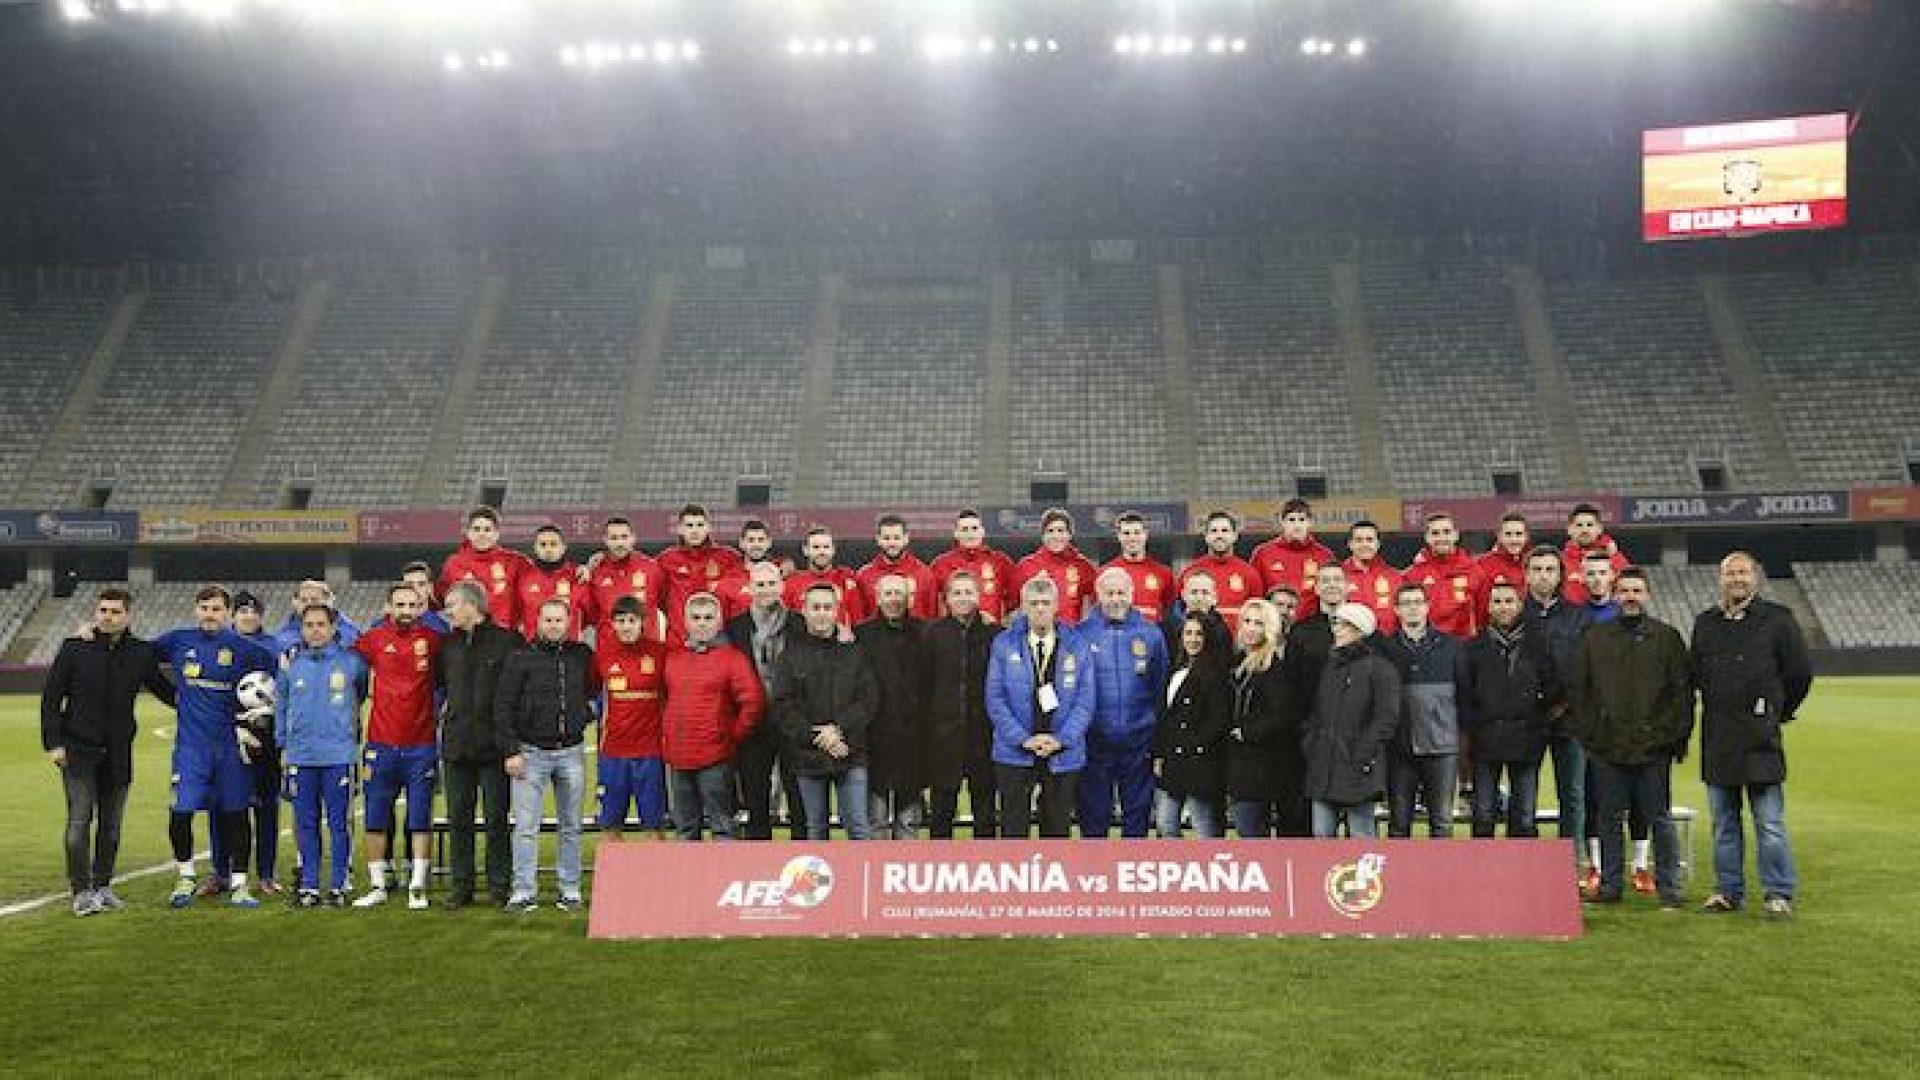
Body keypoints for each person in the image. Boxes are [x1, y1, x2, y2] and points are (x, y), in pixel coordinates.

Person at [1692, 551, 1813, 918]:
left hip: (1760, 738)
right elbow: (1696, 674)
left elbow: (1799, 674)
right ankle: (1728, 891)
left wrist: (1778, 711)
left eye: (1743, 573)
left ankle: (1779, 893)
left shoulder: (1778, 620)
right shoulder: (1706, 623)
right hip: (1719, 737)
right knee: (1723, 823)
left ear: (1755, 578)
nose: (1737, 579)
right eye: (1731, 574)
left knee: (1769, 823)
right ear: (1721, 578)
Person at [40, 588, 175, 915]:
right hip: (77, 750)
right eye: (103, 610)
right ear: (95, 612)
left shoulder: (141, 653)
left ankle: (103, 886)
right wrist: (54, 743)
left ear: (128, 616)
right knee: (79, 821)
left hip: (118, 752)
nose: (107, 616)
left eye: (115, 611)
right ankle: (80, 891)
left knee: (112, 826)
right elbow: (51, 698)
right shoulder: (74, 648)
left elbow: (166, 692)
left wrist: (206, 703)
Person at [1570, 567, 1692, 909]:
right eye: (1624, 591)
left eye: (1637, 590)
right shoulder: (1595, 638)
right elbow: (1580, 692)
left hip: (1653, 748)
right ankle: (1610, 886)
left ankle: (1669, 886)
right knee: (1609, 817)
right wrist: (1593, 736)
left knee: (1659, 817)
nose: (1630, 597)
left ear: (1647, 594)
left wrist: (1668, 736)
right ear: (1615, 594)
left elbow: (1681, 693)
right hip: (1608, 748)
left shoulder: (1667, 638)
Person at [153, 586, 277, 909]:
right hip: (191, 748)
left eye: (217, 609)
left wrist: (262, 712)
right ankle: (185, 876)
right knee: (181, 812)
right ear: (196, 609)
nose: (210, 614)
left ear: (227, 614)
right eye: (205, 607)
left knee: (237, 813)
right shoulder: (178, 641)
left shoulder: (245, 648)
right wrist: (171, 696)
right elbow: (139, 658)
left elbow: (278, 673)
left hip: (230, 746)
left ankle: (239, 884)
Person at [495, 598, 599, 911]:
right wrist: (511, 750)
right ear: (536, 622)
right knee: (526, 826)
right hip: (531, 752)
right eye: (548, 620)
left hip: (571, 751)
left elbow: (593, 690)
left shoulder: (581, 656)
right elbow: (503, 705)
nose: (553, 626)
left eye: (559, 620)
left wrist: (584, 715)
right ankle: (524, 890)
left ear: (569, 623)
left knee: (571, 825)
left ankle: (570, 889)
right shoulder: (519, 658)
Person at [351, 583, 443, 909]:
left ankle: (417, 885)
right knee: (375, 817)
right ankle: (377, 884)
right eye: (399, 604)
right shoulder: (373, 639)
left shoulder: (433, 641)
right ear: (388, 607)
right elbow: (344, 659)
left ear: (422, 607)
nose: (405, 610)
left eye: (412, 604)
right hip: (380, 744)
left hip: (421, 745)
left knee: (420, 817)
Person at [987, 576, 1096, 839]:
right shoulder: (1004, 643)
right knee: (1014, 830)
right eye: (1033, 603)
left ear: (1056, 606)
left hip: (1062, 752)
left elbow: (1086, 700)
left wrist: (1061, 740)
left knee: (1057, 830)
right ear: (1023, 607)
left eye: (1045, 603)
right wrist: (1023, 739)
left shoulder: (1076, 644)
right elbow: (995, 699)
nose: (1039, 609)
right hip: (1015, 751)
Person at [435, 580, 520, 909]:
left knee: (497, 818)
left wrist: (511, 742)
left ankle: (499, 884)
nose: (449, 612)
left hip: (494, 746)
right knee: (459, 817)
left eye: (452, 605)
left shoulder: (507, 642)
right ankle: (462, 886)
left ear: (472, 605)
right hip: (457, 745)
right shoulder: (448, 645)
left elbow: (514, 694)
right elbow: (443, 687)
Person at [276, 604, 368, 908]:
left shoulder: (351, 663)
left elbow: (362, 694)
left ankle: (340, 883)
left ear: (332, 628)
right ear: (302, 629)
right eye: (309, 625)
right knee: (305, 824)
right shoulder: (291, 664)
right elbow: (281, 705)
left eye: (321, 624)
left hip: (338, 756)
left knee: (339, 823)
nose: (315, 630)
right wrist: (282, 743)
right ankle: (310, 885)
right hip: (301, 757)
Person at [775, 584, 878, 840]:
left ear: (836, 612)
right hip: (807, 756)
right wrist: (818, 738)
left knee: (858, 827)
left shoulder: (854, 651)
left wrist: (838, 730)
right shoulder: (790, 655)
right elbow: (783, 706)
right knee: (815, 828)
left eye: (827, 607)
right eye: (816, 607)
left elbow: (868, 700)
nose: (821, 613)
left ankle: (861, 879)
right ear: (804, 611)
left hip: (850, 752)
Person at [663, 592, 765, 841]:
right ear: (685, 621)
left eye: (708, 618)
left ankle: (724, 879)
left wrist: (731, 736)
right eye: (695, 618)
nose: (701, 623)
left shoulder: (732, 658)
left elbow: (753, 701)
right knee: (686, 829)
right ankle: (688, 880)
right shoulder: (673, 658)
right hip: (679, 757)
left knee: (722, 827)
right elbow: (666, 700)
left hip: (715, 759)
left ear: (718, 622)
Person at [1077, 568, 1170, 838]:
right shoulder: (1080, 634)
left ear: (1131, 595)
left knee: (1138, 815)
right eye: (1109, 593)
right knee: (1093, 815)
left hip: (1138, 740)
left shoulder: (1151, 635)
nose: (1115, 599)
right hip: (1094, 742)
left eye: (1121, 593)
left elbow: (1160, 687)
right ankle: (1093, 874)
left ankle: (1134, 873)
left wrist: (1154, 733)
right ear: (1098, 595)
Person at [1301, 604, 1401, 839]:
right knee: (1321, 839)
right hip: (1323, 765)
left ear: (1359, 630)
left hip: (1359, 770)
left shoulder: (1380, 669)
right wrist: (1312, 745)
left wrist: (1362, 754)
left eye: (1343, 625)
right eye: (1336, 624)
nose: (1336, 630)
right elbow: (1316, 713)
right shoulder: (1330, 667)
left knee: (1361, 841)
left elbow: (1386, 718)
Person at [1376, 584, 1467, 839]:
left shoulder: (1451, 646)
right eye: (1406, 603)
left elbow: (1464, 695)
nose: (1413, 607)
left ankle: (1443, 878)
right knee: (1399, 822)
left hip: (1441, 746)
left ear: (1427, 607)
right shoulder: (1386, 648)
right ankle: (1401, 877)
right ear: (1396, 610)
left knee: (1442, 822)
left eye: (1418, 602)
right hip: (1399, 747)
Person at [725, 561, 808, 840]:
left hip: (793, 720)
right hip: (753, 723)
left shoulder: (800, 623)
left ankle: (803, 857)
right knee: (756, 797)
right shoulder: (735, 628)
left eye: (771, 583)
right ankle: (758, 864)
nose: (766, 590)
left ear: (782, 586)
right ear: (750, 588)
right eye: (760, 584)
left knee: (798, 796)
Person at [1461, 582, 1551, 838]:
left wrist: (1538, 720)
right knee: (1483, 814)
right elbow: (1465, 694)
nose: (1503, 607)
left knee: (1523, 816)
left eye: (1509, 601)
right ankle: (1481, 875)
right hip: (1485, 740)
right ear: (1488, 607)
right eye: (1497, 601)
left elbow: (1552, 685)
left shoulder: (1538, 645)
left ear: (1520, 605)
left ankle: (1522, 874)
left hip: (1527, 738)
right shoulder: (1472, 648)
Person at [1523, 546, 1590, 876]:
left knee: (1573, 796)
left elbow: (1585, 669)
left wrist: (1564, 704)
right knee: (1525, 796)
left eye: (1550, 569)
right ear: (1526, 574)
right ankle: (1529, 865)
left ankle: (1572, 866)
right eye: (1537, 569)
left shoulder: (1578, 616)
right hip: (1526, 721)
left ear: (1561, 575)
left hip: (1570, 719)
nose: (1543, 575)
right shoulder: (1516, 613)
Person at [920, 572, 1000, 839]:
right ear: (947, 599)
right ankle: (938, 872)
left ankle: (986, 871)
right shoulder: (932, 634)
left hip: (984, 735)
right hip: (943, 737)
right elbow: (924, 686)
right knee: (941, 813)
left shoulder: (994, 633)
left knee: (985, 811)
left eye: (968, 592)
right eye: (957, 593)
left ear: (978, 597)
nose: (963, 598)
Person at [221, 591, 285, 895]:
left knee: (266, 809)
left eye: (253, 611)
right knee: (226, 809)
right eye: (242, 610)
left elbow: (285, 692)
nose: (248, 616)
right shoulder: (221, 646)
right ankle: (223, 873)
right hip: (228, 740)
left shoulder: (275, 649)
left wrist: (269, 715)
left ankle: (266, 874)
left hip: (267, 741)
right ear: (233, 615)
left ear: (261, 615)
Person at [594, 596, 671, 842]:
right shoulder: (602, 656)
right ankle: (615, 880)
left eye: (631, 620)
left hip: (650, 753)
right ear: (613, 625)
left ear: (642, 623)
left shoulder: (660, 654)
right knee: (610, 826)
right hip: (612, 753)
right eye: (620, 621)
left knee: (653, 825)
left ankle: (657, 880)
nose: (626, 626)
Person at [855, 575, 927, 839]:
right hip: (873, 740)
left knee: (909, 822)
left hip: (914, 741)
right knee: (876, 821)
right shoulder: (861, 634)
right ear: (878, 597)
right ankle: (874, 877)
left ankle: (904, 876)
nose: (894, 599)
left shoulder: (925, 632)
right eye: (888, 594)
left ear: (909, 597)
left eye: (899, 593)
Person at [1154, 611, 1234, 839]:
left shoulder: (1216, 675)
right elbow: (1166, 717)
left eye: (1199, 634)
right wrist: (1160, 752)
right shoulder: (1175, 670)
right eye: (1188, 633)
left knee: (1204, 828)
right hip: (1173, 762)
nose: (1193, 639)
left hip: (1202, 764)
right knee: (1165, 822)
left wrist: (1191, 744)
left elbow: (1218, 721)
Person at [658, 503, 747, 640]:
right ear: (680, 529)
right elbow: (658, 597)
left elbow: (753, 569)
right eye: (689, 525)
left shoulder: (728, 558)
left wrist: (782, 565)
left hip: (719, 640)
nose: (695, 531)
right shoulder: (666, 560)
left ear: (708, 527)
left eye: (700, 525)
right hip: (679, 640)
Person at [437, 506, 531, 631]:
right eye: (477, 529)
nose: (481, 534)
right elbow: (440, 601)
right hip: (465, 636)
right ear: (468, 533)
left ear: (496, 534)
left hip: (504, 637)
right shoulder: (453, 563)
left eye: (487, 530)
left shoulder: (516, 562)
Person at [581, 516, 666, 647]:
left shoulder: (652, 568)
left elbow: (666, 603)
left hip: (647, 654)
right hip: (609, 653)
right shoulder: (595, 572)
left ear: (633, 538)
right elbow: (591, 616)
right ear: (605, 540)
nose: (620, 543)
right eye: (614, 538)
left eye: (624, 537)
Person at [1252, 498, 1338, 621]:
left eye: (1302, 520)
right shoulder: (1263, 553)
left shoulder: (1324, 555)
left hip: (1312, 624)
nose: (1297, 525)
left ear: (1310, 522)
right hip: (1273, 623)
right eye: (1291, 520)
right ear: (1282, 522)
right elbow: (1256, 595)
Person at [930, 508, 1019, 624]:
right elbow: (933, 602)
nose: (970, 534)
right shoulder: (940, 564)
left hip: (990, 631)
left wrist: (1004, 622)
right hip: (954, 632)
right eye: (965, 529)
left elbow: (1014, 600)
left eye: (974, 529)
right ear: (956, 533)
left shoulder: (1000, 562)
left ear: (982, 531)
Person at [1012, 507, 1100, 623]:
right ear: (1043, 536)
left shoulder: (1082, 566)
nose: (1056, 536)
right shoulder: (1027, 565)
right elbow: (1011, 605)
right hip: (1036, 635)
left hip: (1070, 636)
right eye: (1050, 531)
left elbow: (1099, 603)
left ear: (1069, 535)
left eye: (1060, 530)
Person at [1181, 510, 1263, 633]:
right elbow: (1179, 610)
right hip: (1202, 643)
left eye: (1225, 531)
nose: (1219, 536)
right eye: (1214, 531)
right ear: (1206, 536)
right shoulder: (1191, 571)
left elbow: (1258, 613)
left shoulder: (1250, 573)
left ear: (1235, 535)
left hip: (1237, 646)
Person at [1404, 512, 1480, 639]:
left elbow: (1482, 613)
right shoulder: (1413, 575)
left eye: (1446, 532)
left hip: (1464, 645)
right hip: (1426, 645)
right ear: (1427, 538)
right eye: (1435, 533)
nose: (1441, 537)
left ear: (1456, 535)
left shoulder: (1474, 571)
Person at [857, 513, 939, 621]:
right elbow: (861, 617)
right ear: (878, 539)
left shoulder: (925, 574)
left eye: (896, 538)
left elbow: (931, 615)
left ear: (906, 538)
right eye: (887, 538)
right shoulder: (863, 575)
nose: (892, 543)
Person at [782, 526, 868, 630]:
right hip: (803, 643)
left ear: (833, 550)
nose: (821, 552)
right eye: (816, 547)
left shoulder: (847, 579)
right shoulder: (791, 583)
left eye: (826, 547)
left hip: (840, 644)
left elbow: (858, 621)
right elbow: (785, 623)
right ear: (805, 550)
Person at [1100, 510, 1177, 623]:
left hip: (1152, 638)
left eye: (1137, 532)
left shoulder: (1164, 573)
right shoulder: (1105, 573)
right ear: (1119, 536)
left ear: (1145, 535)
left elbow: (1168, 610)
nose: (1132, 538)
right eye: (1127, 533)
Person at [515, 523, 585, 641]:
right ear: (535, 548)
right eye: (543, 544)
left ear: (563, 547)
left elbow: (591, 616)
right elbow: (516, 616)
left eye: (553, 544)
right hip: (533, 650)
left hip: (569, 651)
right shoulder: (523, 577)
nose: (548, 549)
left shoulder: (578, 576)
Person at [1341, 519, 1402, 638]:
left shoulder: (1395, 577)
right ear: (1350, 544)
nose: (1365, 544)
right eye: (1359, 540)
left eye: (1369, 540)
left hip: (1387, 647)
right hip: (1351, 646)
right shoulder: (1339, 577)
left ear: (1378, 544)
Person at [1560, 502, 1629, 606]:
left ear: (1599, 529)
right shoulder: (1560, 562)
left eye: (1590, 525)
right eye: (1579, 525)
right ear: (1569, 529)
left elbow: (1628, 590)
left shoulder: (1616, 559)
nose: (1585, 530)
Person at [272, 579, 361, 654]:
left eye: (314, 599)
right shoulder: (284, 635)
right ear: (295, 602)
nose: (309, 604)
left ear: (328, 601)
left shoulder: (349, 631)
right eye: (304, 600)